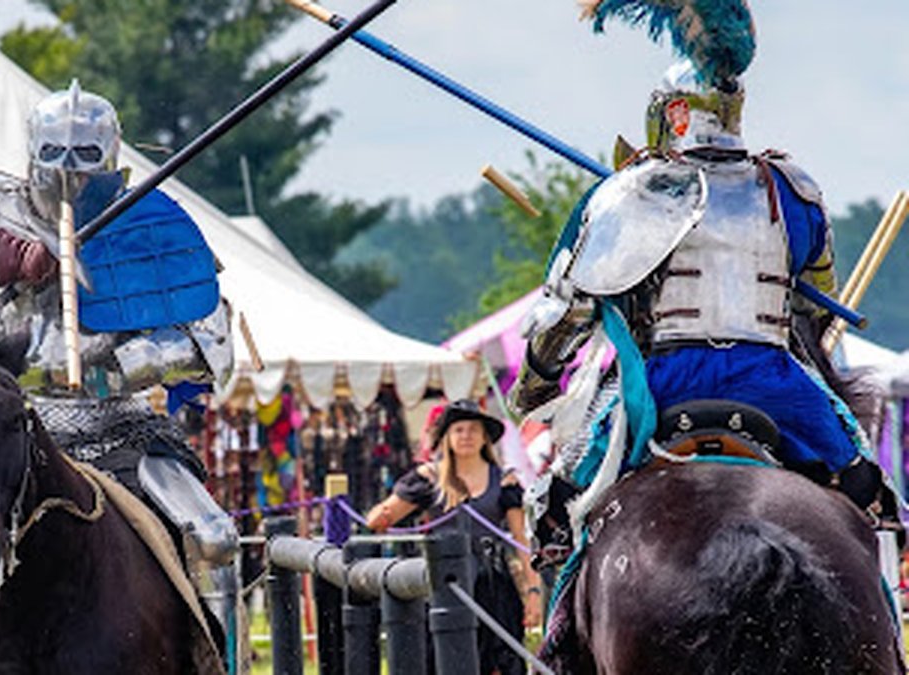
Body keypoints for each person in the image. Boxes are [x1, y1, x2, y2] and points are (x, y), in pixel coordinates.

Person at [513, 0, 898, 566]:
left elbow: (567, 312)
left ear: (674, 114)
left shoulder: (632, 190)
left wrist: (534, 385)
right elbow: (815, 307)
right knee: (867, 487)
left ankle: (560, 606)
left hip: (664, 383)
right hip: (776, 383)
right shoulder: (795, 190)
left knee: (559, 499)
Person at [0, 81, 239, 658]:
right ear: (33, 151)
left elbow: (211, 346)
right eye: (55, 152)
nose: (70, 169)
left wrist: (116, 367)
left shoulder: (151, 227)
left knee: (213, 538)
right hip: (10, 424)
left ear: (111, 156)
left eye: (85, 154)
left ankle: (222, 665)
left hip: (121, 426)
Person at [366, 399, 543, 675]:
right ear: (447, 437)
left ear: (484, 438)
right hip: (443, 584)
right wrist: (387, 510)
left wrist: (533, 591)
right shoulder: (429, 479)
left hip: (493, 586)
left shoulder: (504, 480)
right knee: (441, 659)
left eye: (474, 430)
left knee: (501, 661)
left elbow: (521, 539)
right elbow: (379, 519)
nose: (466, 436)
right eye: (459, 430)